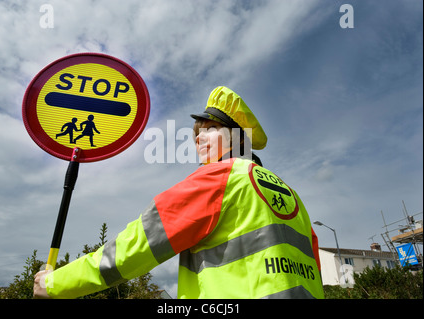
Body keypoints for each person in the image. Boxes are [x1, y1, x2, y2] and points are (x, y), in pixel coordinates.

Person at [34, 86, 324, 299]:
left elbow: (137, 245)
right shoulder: (291, 195)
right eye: (196, 133)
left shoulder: (220, 178)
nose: (199, 139)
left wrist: (55, 284)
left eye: (210, 128)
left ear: (237, 137)